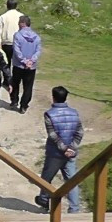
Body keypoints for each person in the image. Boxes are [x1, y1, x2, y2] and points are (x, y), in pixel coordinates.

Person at [34, 86, 83, 214]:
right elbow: (79, 132)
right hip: (71, 154)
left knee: (46, 178)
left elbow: (52, 135)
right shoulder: (74, 113)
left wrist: (63, 148)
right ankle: (74, 209)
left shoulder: (49, 114)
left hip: (55, 153)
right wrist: (71, 148)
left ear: (53, 97)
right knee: (71, 181)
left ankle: (44, 200)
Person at [10, 15, 42, 114]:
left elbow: (16, 50)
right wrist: (31, 61)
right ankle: (24, 105)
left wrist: (23, 61)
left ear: (22, 23)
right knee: (28, 86)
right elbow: (38, 51)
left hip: (18, 65)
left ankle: (14, 101)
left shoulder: (17, 35)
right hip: (31, 67)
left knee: (15, 83)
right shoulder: (37, 37)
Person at [0, 0, 23, 71]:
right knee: (17, 63)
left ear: (7, 6)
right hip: (18, 43)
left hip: (6, 43)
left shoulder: (3, 17)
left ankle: (7, 80)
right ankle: (15, 80)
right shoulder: (21, 16)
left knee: (6, 63)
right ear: (16, 6)